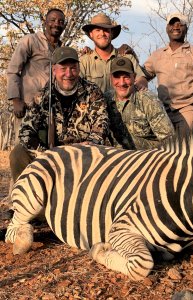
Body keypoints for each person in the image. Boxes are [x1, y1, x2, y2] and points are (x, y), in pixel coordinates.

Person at [9, 46, 110, 183]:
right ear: (54, 70)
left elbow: (101, 126)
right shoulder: (42, 96)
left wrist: (84, 147)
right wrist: (45, 154)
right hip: (50, 157)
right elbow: (26, 132)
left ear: (79, 69)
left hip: (84, 154)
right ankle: (23, 199)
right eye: (63, 69)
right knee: (18, 154)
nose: (68, 74)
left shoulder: (92, 92)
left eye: (73, 68)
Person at [143, 12, 193, 130]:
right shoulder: (157, 55)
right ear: (167, 28)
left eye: (180, 24)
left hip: (188, 109)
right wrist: (130, 56)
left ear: (186, 28)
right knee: (165, 148)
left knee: (190, 147)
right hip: (162, 113)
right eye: (172, 23)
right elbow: (142, 74)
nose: (176, 27)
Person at [7, 8, 66, 141]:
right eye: (53, 20)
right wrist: (16, 100)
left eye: (61, 21)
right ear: (45, 22)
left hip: (52, 112)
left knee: (48, 155)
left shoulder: (62, 50)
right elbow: (13, 70)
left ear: (64, 26)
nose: (57, 24)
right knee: (23, 150)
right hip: (28, 108)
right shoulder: (29, 40)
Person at [104, 57, 175, 150]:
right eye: (117, 77)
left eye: (126, 77)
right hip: (114, 159)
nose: (121, 83)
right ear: (111, 78)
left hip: (147, 158)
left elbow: (170, 140)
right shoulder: (104, 100)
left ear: (134, 77)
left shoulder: (148, 100)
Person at [80, 13, 148, 93]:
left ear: (111, 33)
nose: (102, 34)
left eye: (106, 30)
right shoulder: (84, 61)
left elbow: (141, 79)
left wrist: (141, 85)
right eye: (98, 30)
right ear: (91, 34)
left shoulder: (127, 58)